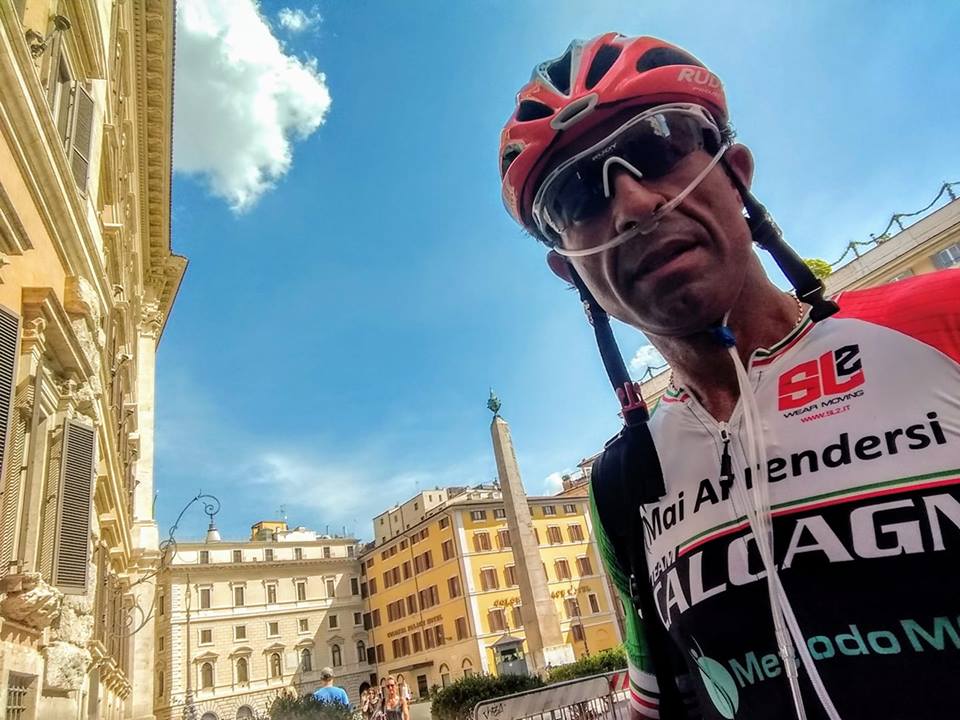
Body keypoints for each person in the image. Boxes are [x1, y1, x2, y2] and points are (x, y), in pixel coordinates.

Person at [498, 33, 960, 720]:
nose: (633, 205)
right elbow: (658, 703)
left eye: (656, 148)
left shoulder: (944, 322)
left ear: (737, 177)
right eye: (575, 195)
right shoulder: (622, 482)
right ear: (571, 273)